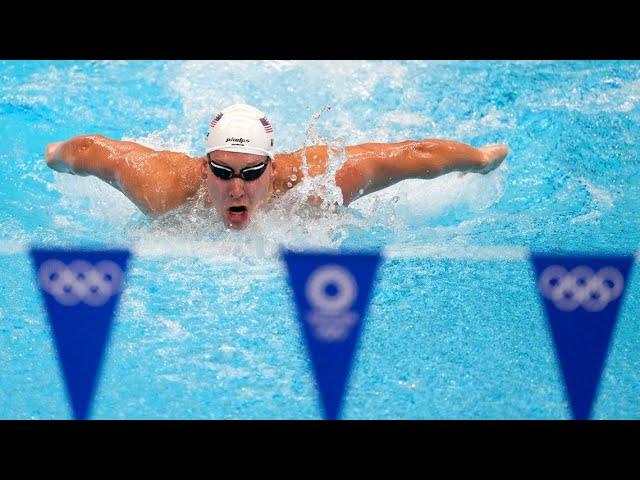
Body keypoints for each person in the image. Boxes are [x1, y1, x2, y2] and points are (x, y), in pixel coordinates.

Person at [45, 103, 509, 229]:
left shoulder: (315, 182)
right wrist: (56, 157)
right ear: (204, 168)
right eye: (223, 172)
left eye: (251, 173)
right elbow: (90, 150)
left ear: (272, 168)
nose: (236, 188)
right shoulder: (163, 188)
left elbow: (412, 156)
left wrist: (481, 161)